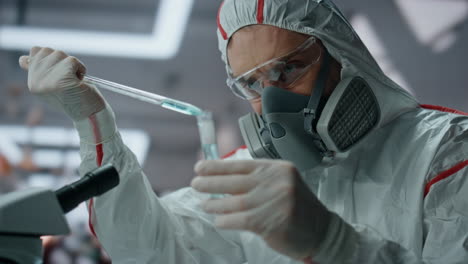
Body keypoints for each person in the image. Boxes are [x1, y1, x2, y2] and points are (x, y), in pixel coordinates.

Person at [18, 0, 468, 263]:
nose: (272, 100)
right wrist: (92, 119)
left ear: (342, 55)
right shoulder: (247, 179)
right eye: (252, 83)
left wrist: (335, 245)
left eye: (289, 69)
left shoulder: (443, 152)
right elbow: (148, 251)